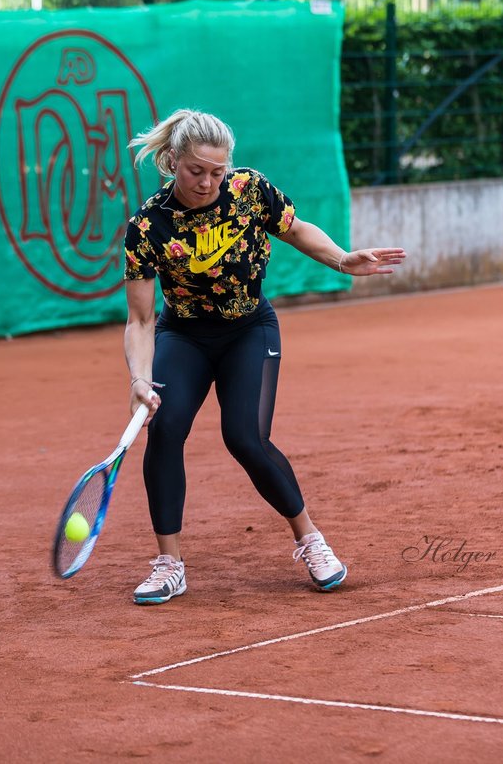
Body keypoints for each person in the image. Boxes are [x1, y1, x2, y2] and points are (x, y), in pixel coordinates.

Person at [121, 109, 405, 605]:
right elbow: (142, 321)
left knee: (245, 437)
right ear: (171, 161)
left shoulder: (249, 190)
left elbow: (296, 230)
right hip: (183, 335)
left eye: (218, 171)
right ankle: (169, 564)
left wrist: (343, 258)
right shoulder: (147, 227)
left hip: (248, 329)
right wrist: (140, 380)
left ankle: (310, 540)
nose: (208, 182)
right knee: (164, 431)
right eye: (196, 171)